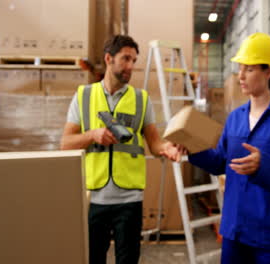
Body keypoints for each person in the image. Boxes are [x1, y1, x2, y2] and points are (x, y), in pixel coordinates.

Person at [187, 32, 270, 263]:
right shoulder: (235, 118)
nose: (240, 76)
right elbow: (220, 162)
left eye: (249, 69)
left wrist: (263, 165)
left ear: (269, 72)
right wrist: (191, 149)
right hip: (236, 231)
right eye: (240, 69)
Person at [60, 35, 182, 264]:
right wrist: (92, 135)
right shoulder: (83, 96)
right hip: (94, 197)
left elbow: (154, 143)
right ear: (109, 58)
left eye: (134, 60)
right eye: (125, 58)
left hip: (129, 198)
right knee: (93, 258)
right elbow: (65, 143)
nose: (130, 66)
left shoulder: (141, 99)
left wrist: (168, 148)